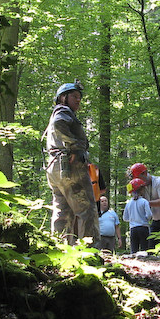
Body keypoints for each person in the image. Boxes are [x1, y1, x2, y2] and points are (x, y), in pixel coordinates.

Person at [44, 81, 100, 245]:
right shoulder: (63, 111)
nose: (78, 100)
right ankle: (91, 252)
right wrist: (74, 147)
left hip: (55, 167)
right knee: (87, 209)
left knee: (62, 210)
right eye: (74, 96)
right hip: (69, 166)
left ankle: (59, 249)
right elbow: (59, 124)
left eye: (79, 98)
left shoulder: (57, 112)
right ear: (63, 98)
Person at [123, 178, 153, 253]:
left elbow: (125, 218)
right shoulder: (144, 201)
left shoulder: (128, 203)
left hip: (133, 229)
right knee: (145, 249)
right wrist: (145, 219)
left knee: (134, 250)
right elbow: (149, 215)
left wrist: (133, 219)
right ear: (141, 190)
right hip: (143, 228)